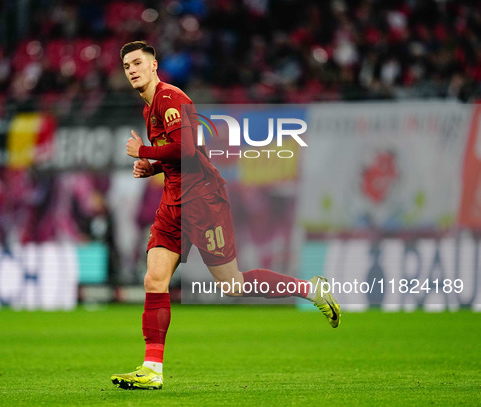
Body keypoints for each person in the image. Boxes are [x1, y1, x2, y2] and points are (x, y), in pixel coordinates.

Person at [111, 41, 340, 391]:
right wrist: (152, 166)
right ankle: (152, 368)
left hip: (202, 200)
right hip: (173, 202)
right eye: (127, 66)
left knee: (231, 284)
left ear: (154, 64)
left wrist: (142, 151)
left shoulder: (171, 99)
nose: (132, 70)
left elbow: (187, 149)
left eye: (138, 62)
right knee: (154, 280)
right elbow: (180, 152)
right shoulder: (149, 109)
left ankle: (311, 290)